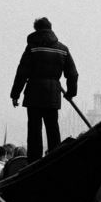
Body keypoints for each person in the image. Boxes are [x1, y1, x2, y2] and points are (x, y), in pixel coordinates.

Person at [10, 17, 78, 161]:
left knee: (34, 130)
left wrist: (15, 94)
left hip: (34, 93)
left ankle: (34, 160)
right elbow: (72, 74)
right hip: (53, 94)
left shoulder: (32, 48)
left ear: (36, 29)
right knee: (53, 128)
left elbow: (22, 73)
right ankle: (55, 158)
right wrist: (71, 93)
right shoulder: (63, 49)